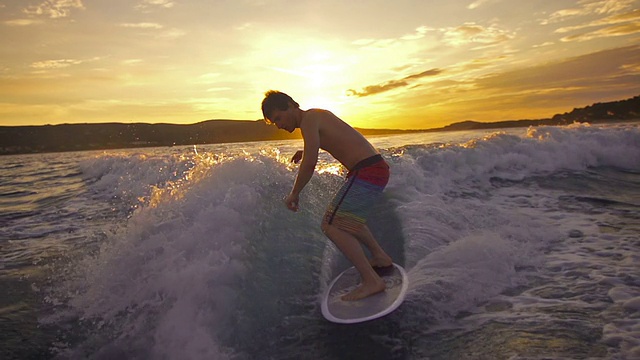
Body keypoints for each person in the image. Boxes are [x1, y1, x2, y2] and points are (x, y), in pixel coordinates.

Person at [261, 90, 393, 301]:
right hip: (374, 169)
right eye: (274, 122)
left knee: (330, 225)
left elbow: (311, 163)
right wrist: (304, 151)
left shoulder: (310, 119)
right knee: (347, 219)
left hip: (367, 172)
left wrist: (294, 193)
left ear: (291, 104)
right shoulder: (316, 117)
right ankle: (380, 257)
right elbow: (334, 140)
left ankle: (372, 281)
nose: (278, 125)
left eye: (278, 118)